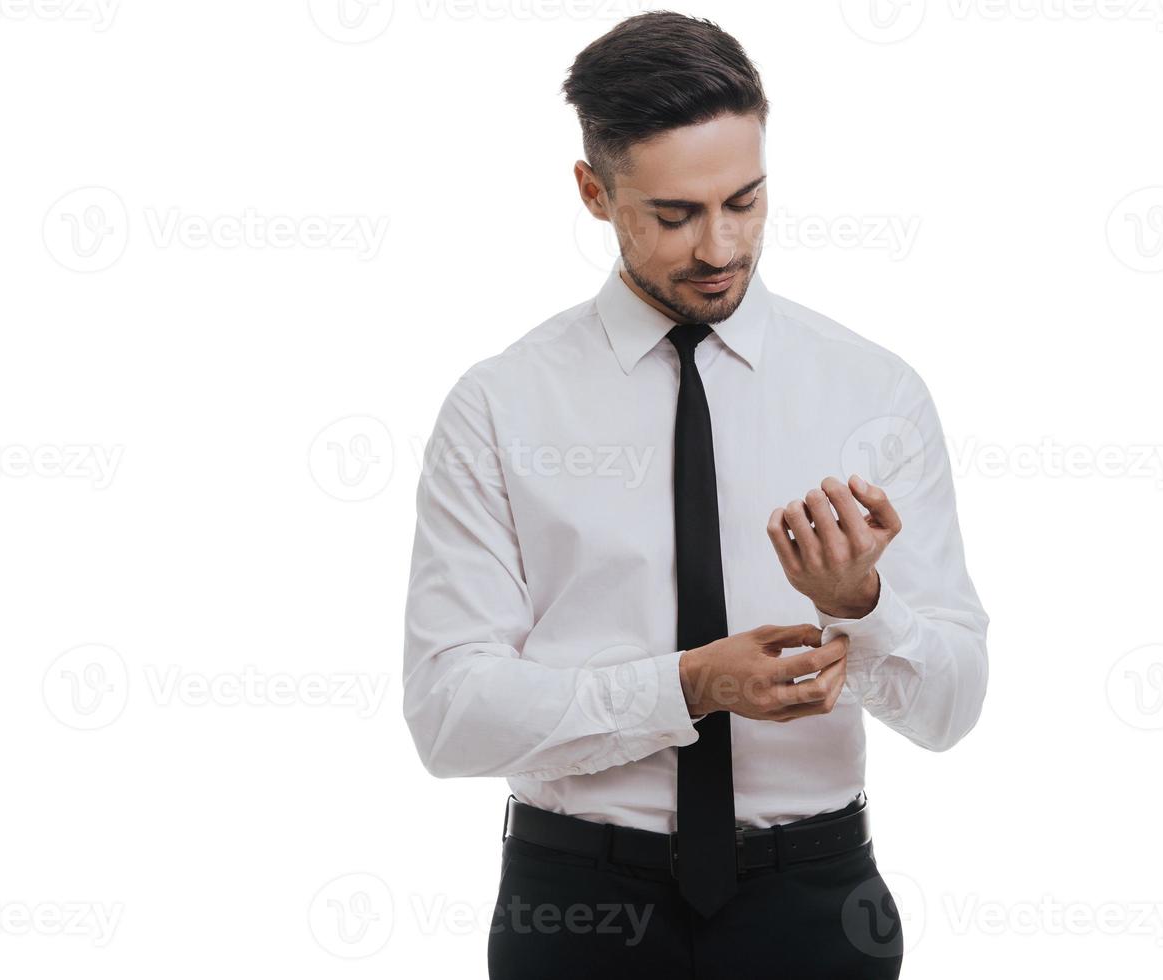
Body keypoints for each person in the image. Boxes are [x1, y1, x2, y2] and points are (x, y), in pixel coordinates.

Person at [401, 11, 989, 978]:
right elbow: (449, 714)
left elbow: (952, 710)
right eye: (674, 216)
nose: (719, 246)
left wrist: (861, 610)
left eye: (745, 202)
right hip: (577, 908)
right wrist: (687, 685)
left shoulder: (872, 394)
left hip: (814, 904)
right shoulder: (499, 406)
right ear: (594, 192)